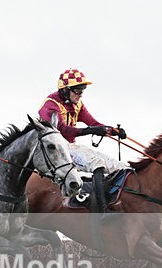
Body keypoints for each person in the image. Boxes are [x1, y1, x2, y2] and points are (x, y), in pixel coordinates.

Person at [37, 68, 127, 218]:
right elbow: (63, 130)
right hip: (56, 151)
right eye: (77, 91)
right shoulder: (50, 105)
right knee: (97, 162)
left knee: (118, 166)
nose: (80, 94)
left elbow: (93, 123)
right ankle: (102, 211)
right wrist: (91, 130)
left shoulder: (77, 104)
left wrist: (112, 130)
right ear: (65, 90)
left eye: (82, 91)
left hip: (71, 147)